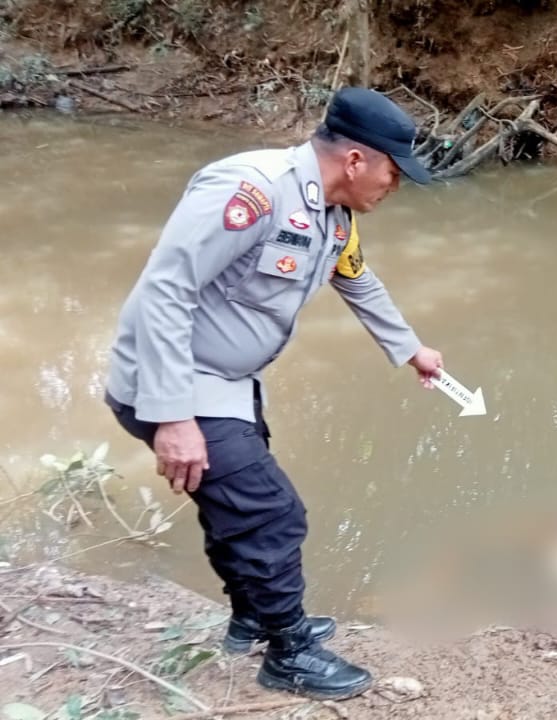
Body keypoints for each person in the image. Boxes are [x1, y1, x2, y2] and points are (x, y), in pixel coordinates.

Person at [104, 87, 443, 700]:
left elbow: (356, 279)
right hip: (173, 381)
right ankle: (288, 650)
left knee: (237, 508)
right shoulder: (252, 191)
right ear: (357, 161)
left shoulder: (335, 216)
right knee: (270, 514)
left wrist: (412, 350)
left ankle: (252, 619)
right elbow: (165, 289)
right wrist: (172, 416)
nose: (395, 187)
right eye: (394, 172)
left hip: (229, 383)